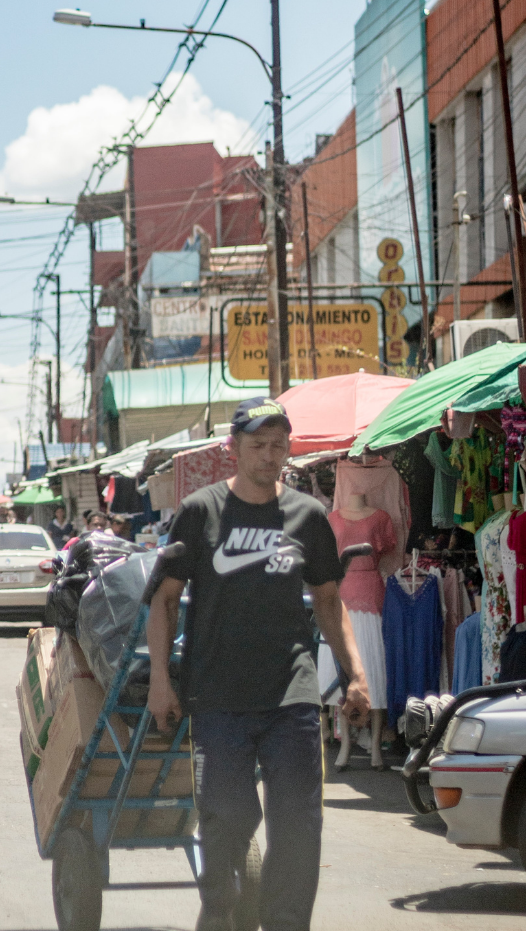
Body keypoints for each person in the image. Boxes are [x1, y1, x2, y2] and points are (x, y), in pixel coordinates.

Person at [147, 397, 369, 931]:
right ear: (233, 448)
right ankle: (220, 908)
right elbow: (164, 600)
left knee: (297, 824)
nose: (270, 455)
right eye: (258, 445)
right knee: (226, 817)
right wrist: (160, 680)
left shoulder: (308, 516)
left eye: (278, 445)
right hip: (217, 694)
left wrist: (357, 675)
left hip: (291, 691)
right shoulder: (201, 511)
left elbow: (328, 601)